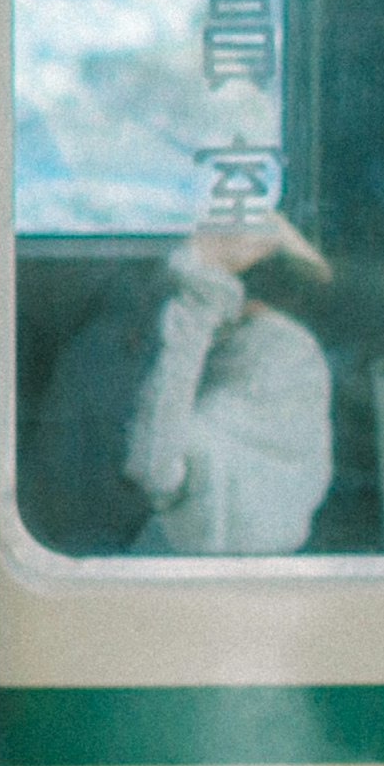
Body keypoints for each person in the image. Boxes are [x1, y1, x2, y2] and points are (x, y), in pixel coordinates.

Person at [26, 212, 338, 555]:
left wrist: (200, 304)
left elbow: (158, 468)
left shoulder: (279, 351)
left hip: (204, 570)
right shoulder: (113, 348)